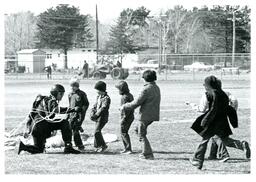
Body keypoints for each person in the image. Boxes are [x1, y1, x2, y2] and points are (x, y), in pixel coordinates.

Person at [190, 76, 250, 169]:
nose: (204, 85)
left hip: (212, 121)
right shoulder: (223, 94)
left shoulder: (209, 94)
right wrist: (233, 120)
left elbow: (211, 109)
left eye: (205, 84)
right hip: (222, 121)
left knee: (205, 140)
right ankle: (241, 145)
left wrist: (205, 120)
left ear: (208, 85)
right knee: (225, 140)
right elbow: (229, 108)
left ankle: (197, 160)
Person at [18, 84, 80, 154]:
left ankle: (22, 147)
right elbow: (55, 112)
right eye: (61, 94)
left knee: (39, 149)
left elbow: (31, 114)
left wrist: (28, 128)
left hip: (35, 128)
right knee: (64, 122)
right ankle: (68, 146)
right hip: (42, 127)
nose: (62, 96)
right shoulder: (51, 101)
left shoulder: (42, 100)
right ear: (55, 93)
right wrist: (73, 109)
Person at [121, 70, 161, 160]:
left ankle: (147, 154)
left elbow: (136, 103)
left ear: (145, 78)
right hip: (153, 114)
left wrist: (124, 106)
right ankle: (146, 152)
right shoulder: (156, 87)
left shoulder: (146, 89)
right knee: (137, 130)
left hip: (145, 115)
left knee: (141, 134)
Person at [68, 77, 89, 150]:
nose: (72, 88)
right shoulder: (70, 94)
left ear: (77, 86)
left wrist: (82, 112)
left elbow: (86, 104)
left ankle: (80, 145)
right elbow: (70, 105)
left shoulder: (82, 94)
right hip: (71, 115)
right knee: (69, 129)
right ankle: (69, 144)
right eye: (71, 86)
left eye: (74, 86)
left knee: (75, 129)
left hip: (79, 115)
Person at [90, 81, 111, 152]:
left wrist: (96, 115)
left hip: (102, 118)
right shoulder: (98, 97)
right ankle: (97, 146)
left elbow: (103, 108)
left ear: (102, 90)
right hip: (97, 117)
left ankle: (103, 145)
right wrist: (92, 113)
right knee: (96, 131)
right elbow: (95, 105)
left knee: (97, 131)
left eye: (98, 90)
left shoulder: (106, 98)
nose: (97, 92)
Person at [115, 81, 134, 154]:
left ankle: (128, 149)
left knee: (124, 132)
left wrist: (123, 119)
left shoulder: (124, 97)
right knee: (124, 132)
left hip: (126, 117)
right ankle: (126, 148)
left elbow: (125, 110)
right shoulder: (130, 95)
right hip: (131, 116)